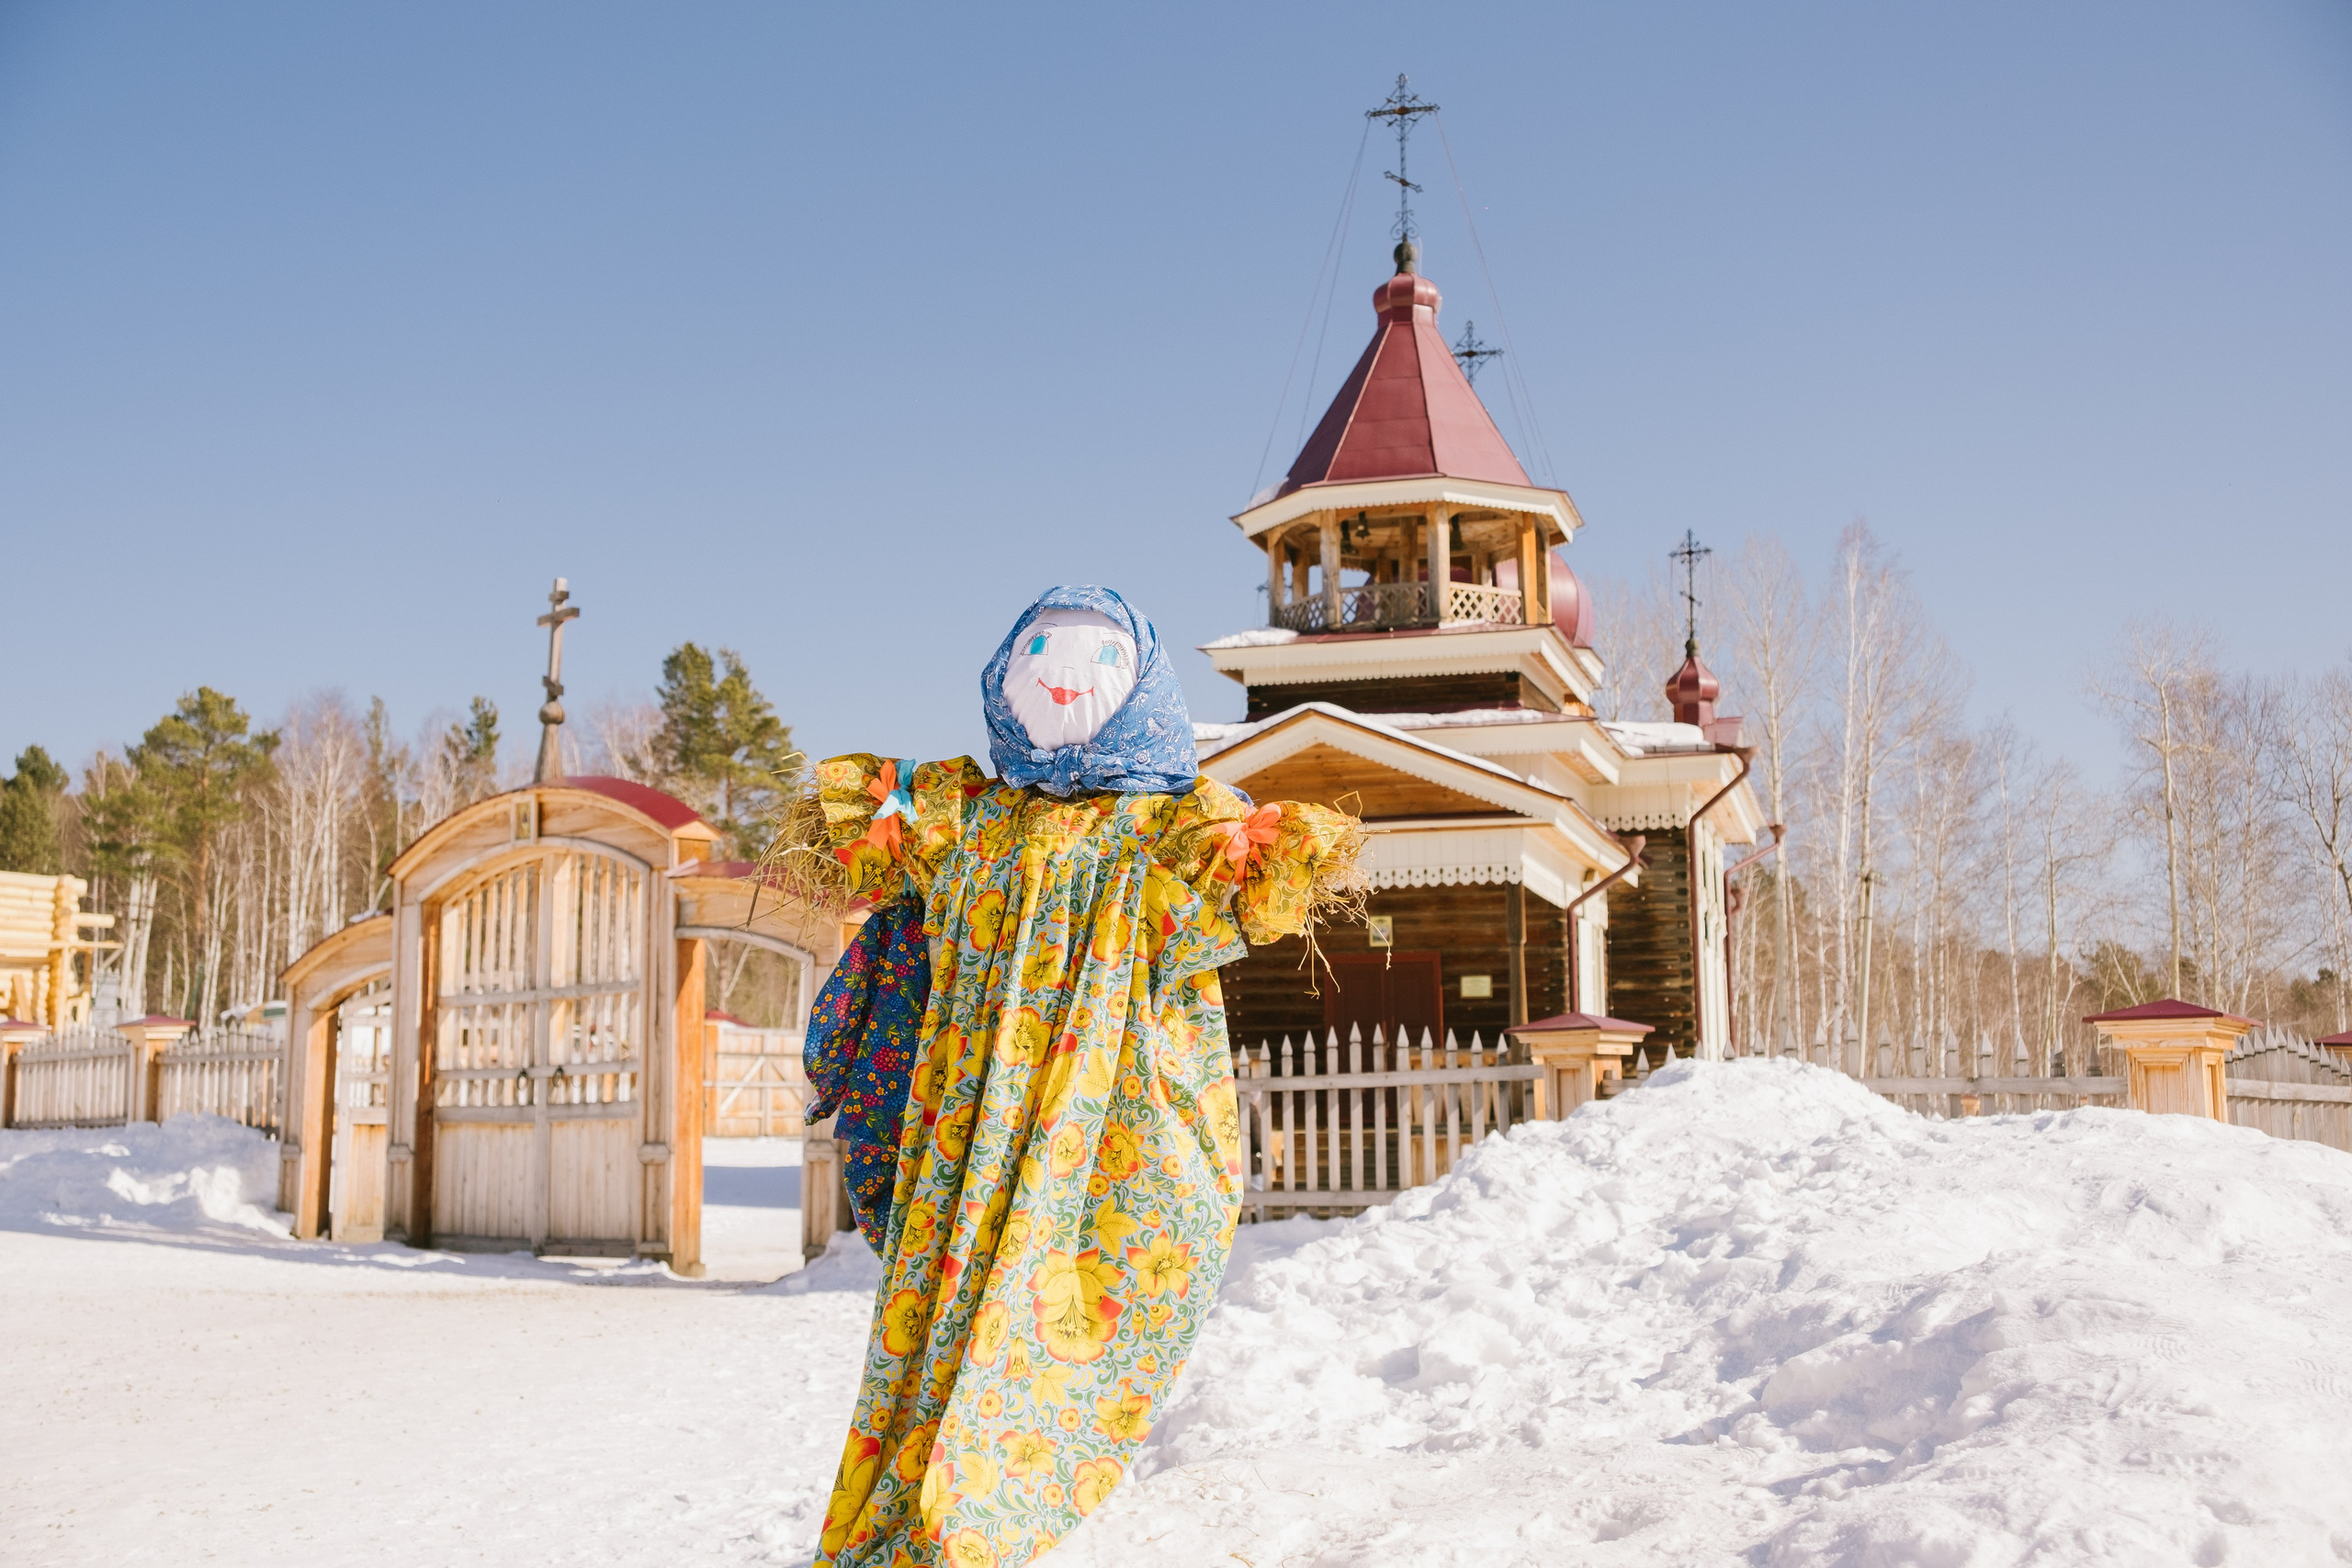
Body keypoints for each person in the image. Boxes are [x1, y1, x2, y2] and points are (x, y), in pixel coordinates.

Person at [792, 585, 1360, 1568]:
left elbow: (1237, 889)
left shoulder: (1171, 826)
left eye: (1099, 659)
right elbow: (882, 846)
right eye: (1042, 650)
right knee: (945, 1304)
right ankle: (918, 1491)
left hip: (1095, 1117)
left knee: (1056, 1289)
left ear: (1142, 685)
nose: (1061, 674)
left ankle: (989, 1508)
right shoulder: (966, 817)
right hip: (962, 1120)